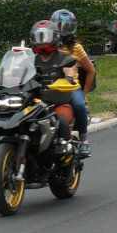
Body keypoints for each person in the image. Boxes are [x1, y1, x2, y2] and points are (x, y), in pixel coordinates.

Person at [50, 9, 96, 158]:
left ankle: (83, 140)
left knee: (78, 105)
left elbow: (90, 70)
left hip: (71, 87)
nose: (63, 31)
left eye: (67, 27)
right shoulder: (48, 45)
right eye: (59, 26)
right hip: (50, 86)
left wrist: (84, 94)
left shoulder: (76, 47)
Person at [29, 20, 80, 152]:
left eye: (45, 37)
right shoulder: (30, 59)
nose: (42, 41)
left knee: (61, 120)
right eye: (39, 37)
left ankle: (67, 151)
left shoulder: (63, 58)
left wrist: (68, 78)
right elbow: (16, 70)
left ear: (54, 37)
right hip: (33, 103)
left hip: (57, 103)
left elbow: (70, 68)